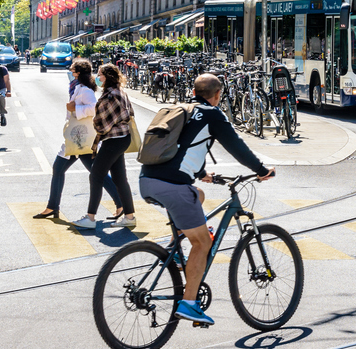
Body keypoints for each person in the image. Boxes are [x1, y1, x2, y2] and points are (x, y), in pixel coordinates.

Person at [140, 72, 275, 326]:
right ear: (218, 95)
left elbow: (181, 145)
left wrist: (202, 174)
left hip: (147, 180)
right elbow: (236, 147)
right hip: (173, 186)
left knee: (198, 194)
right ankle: (189, 304)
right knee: (203, 242)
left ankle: (177, 249)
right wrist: (260, 169)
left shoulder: (184, 109)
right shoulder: (213, 114)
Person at [33, 59, 121, 220]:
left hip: (81, 139)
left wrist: (75, 109)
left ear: (78, 73)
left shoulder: (85, 90)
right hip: (76, 138)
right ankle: (52, 206)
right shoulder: (78, 87)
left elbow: (94, 108)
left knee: (93, 173)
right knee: (62, 170)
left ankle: (121, 204)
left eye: (72, 70)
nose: (70, 73)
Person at [72, 64, 137, 229]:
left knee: (95, 176)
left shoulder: (109, 96)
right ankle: (129, 216)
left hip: (113, 140)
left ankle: (90, 218)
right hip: (123, 138)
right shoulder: (121, 91)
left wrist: (96, 128)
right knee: (119, 178)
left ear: (107, 76)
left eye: (100, 75)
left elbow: (101, 123)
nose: (98, 78)